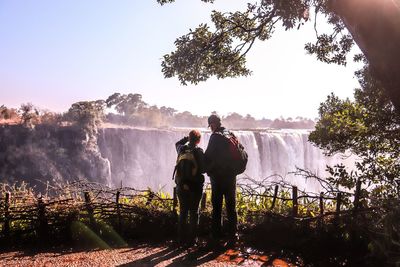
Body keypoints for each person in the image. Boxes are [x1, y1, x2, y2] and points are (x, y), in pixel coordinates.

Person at [205, 114, 238, 247]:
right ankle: (233, 235)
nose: (211, 128)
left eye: (211, 125)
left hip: (218, 178)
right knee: (231, 206)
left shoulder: (215, 137)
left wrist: (204, 168)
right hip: (231, 177)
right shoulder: (230, 134)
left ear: (214, 124)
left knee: (217, 207)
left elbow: (207, 156)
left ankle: (216, 236)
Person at [174, 129, 205, 246]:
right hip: (195, 187)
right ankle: (192, 240)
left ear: (189, 138)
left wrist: (186, 139)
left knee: (183, 212)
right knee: (194, 213)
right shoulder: (198, 151)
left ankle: (181, 239)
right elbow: (203, 169)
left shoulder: (181, 149)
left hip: (181, 185)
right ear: (198, 140)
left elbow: (177, 143)